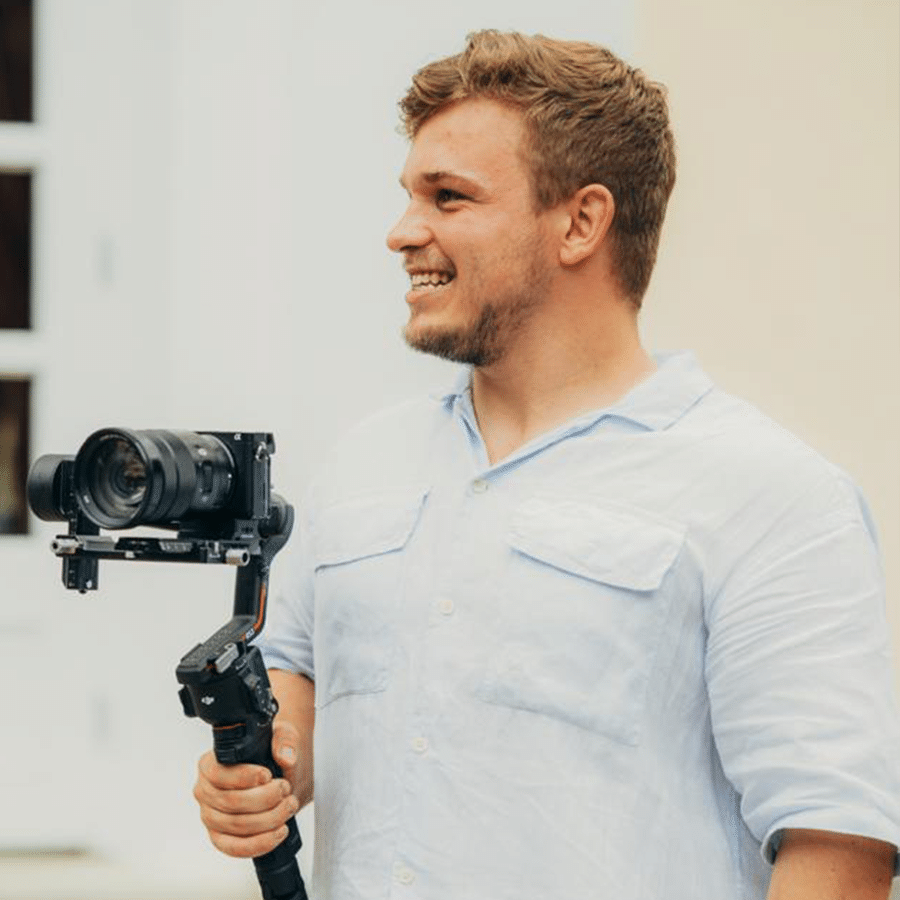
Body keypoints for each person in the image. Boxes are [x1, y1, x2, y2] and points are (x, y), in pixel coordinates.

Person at [191, 30, 900, 899]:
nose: (401, 232)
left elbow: (839, 848)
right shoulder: (364, 460)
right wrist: (267, 775)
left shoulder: (773, 496)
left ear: (581, 221)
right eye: (410, 195)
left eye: (449, 197)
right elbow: (296, 666)